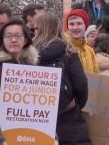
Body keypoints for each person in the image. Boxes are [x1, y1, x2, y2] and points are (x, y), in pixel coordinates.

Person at [33, 12, 90, 145]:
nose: (33, 31)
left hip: (35, 121)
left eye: (36, 28)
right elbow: (81, 84)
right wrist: (76, 104)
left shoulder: (28, 55)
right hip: (68, 120)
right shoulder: (69, 52)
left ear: (42, 29)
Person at [0, 18, 39, 145]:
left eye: (18, 35)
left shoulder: (33, 70)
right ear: (2, 40)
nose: (13, 40)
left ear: (26, 39)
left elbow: (42, 107)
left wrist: (52, 136)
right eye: (8, 36)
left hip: (28, 138)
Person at [64, 9, 99, 73]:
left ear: (86, 26)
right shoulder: (62, 48)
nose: (75, 28)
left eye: (79, 23)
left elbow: (96, 77)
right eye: (71, 24)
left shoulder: (90, 51)